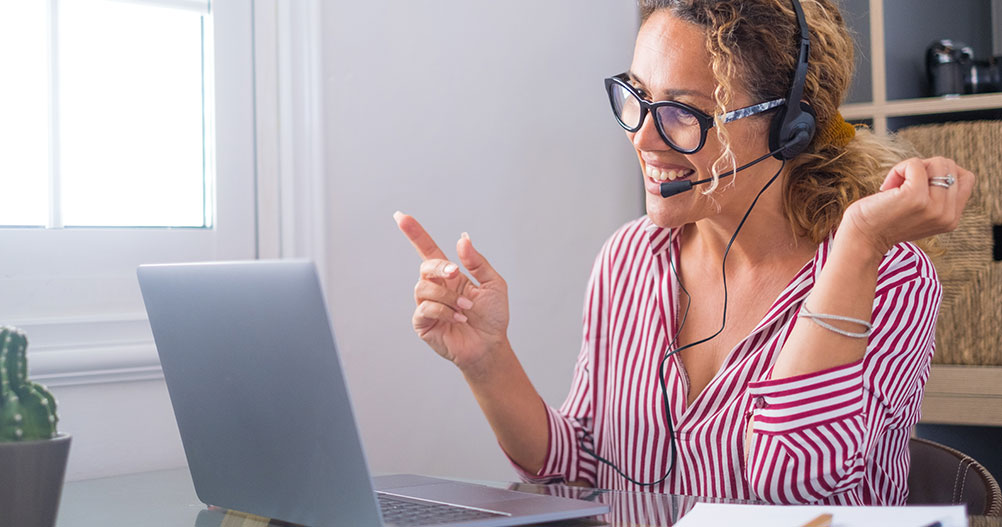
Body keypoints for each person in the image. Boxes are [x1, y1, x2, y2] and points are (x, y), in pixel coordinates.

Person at [394, 0, 974, 505]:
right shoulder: (630, 259)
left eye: (681, 112)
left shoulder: (888, 275)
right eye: (636, 98)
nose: (642, 138)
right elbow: (586, 471)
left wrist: (858, 243)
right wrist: (487, 359)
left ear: (787, 128)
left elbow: (790, 481)